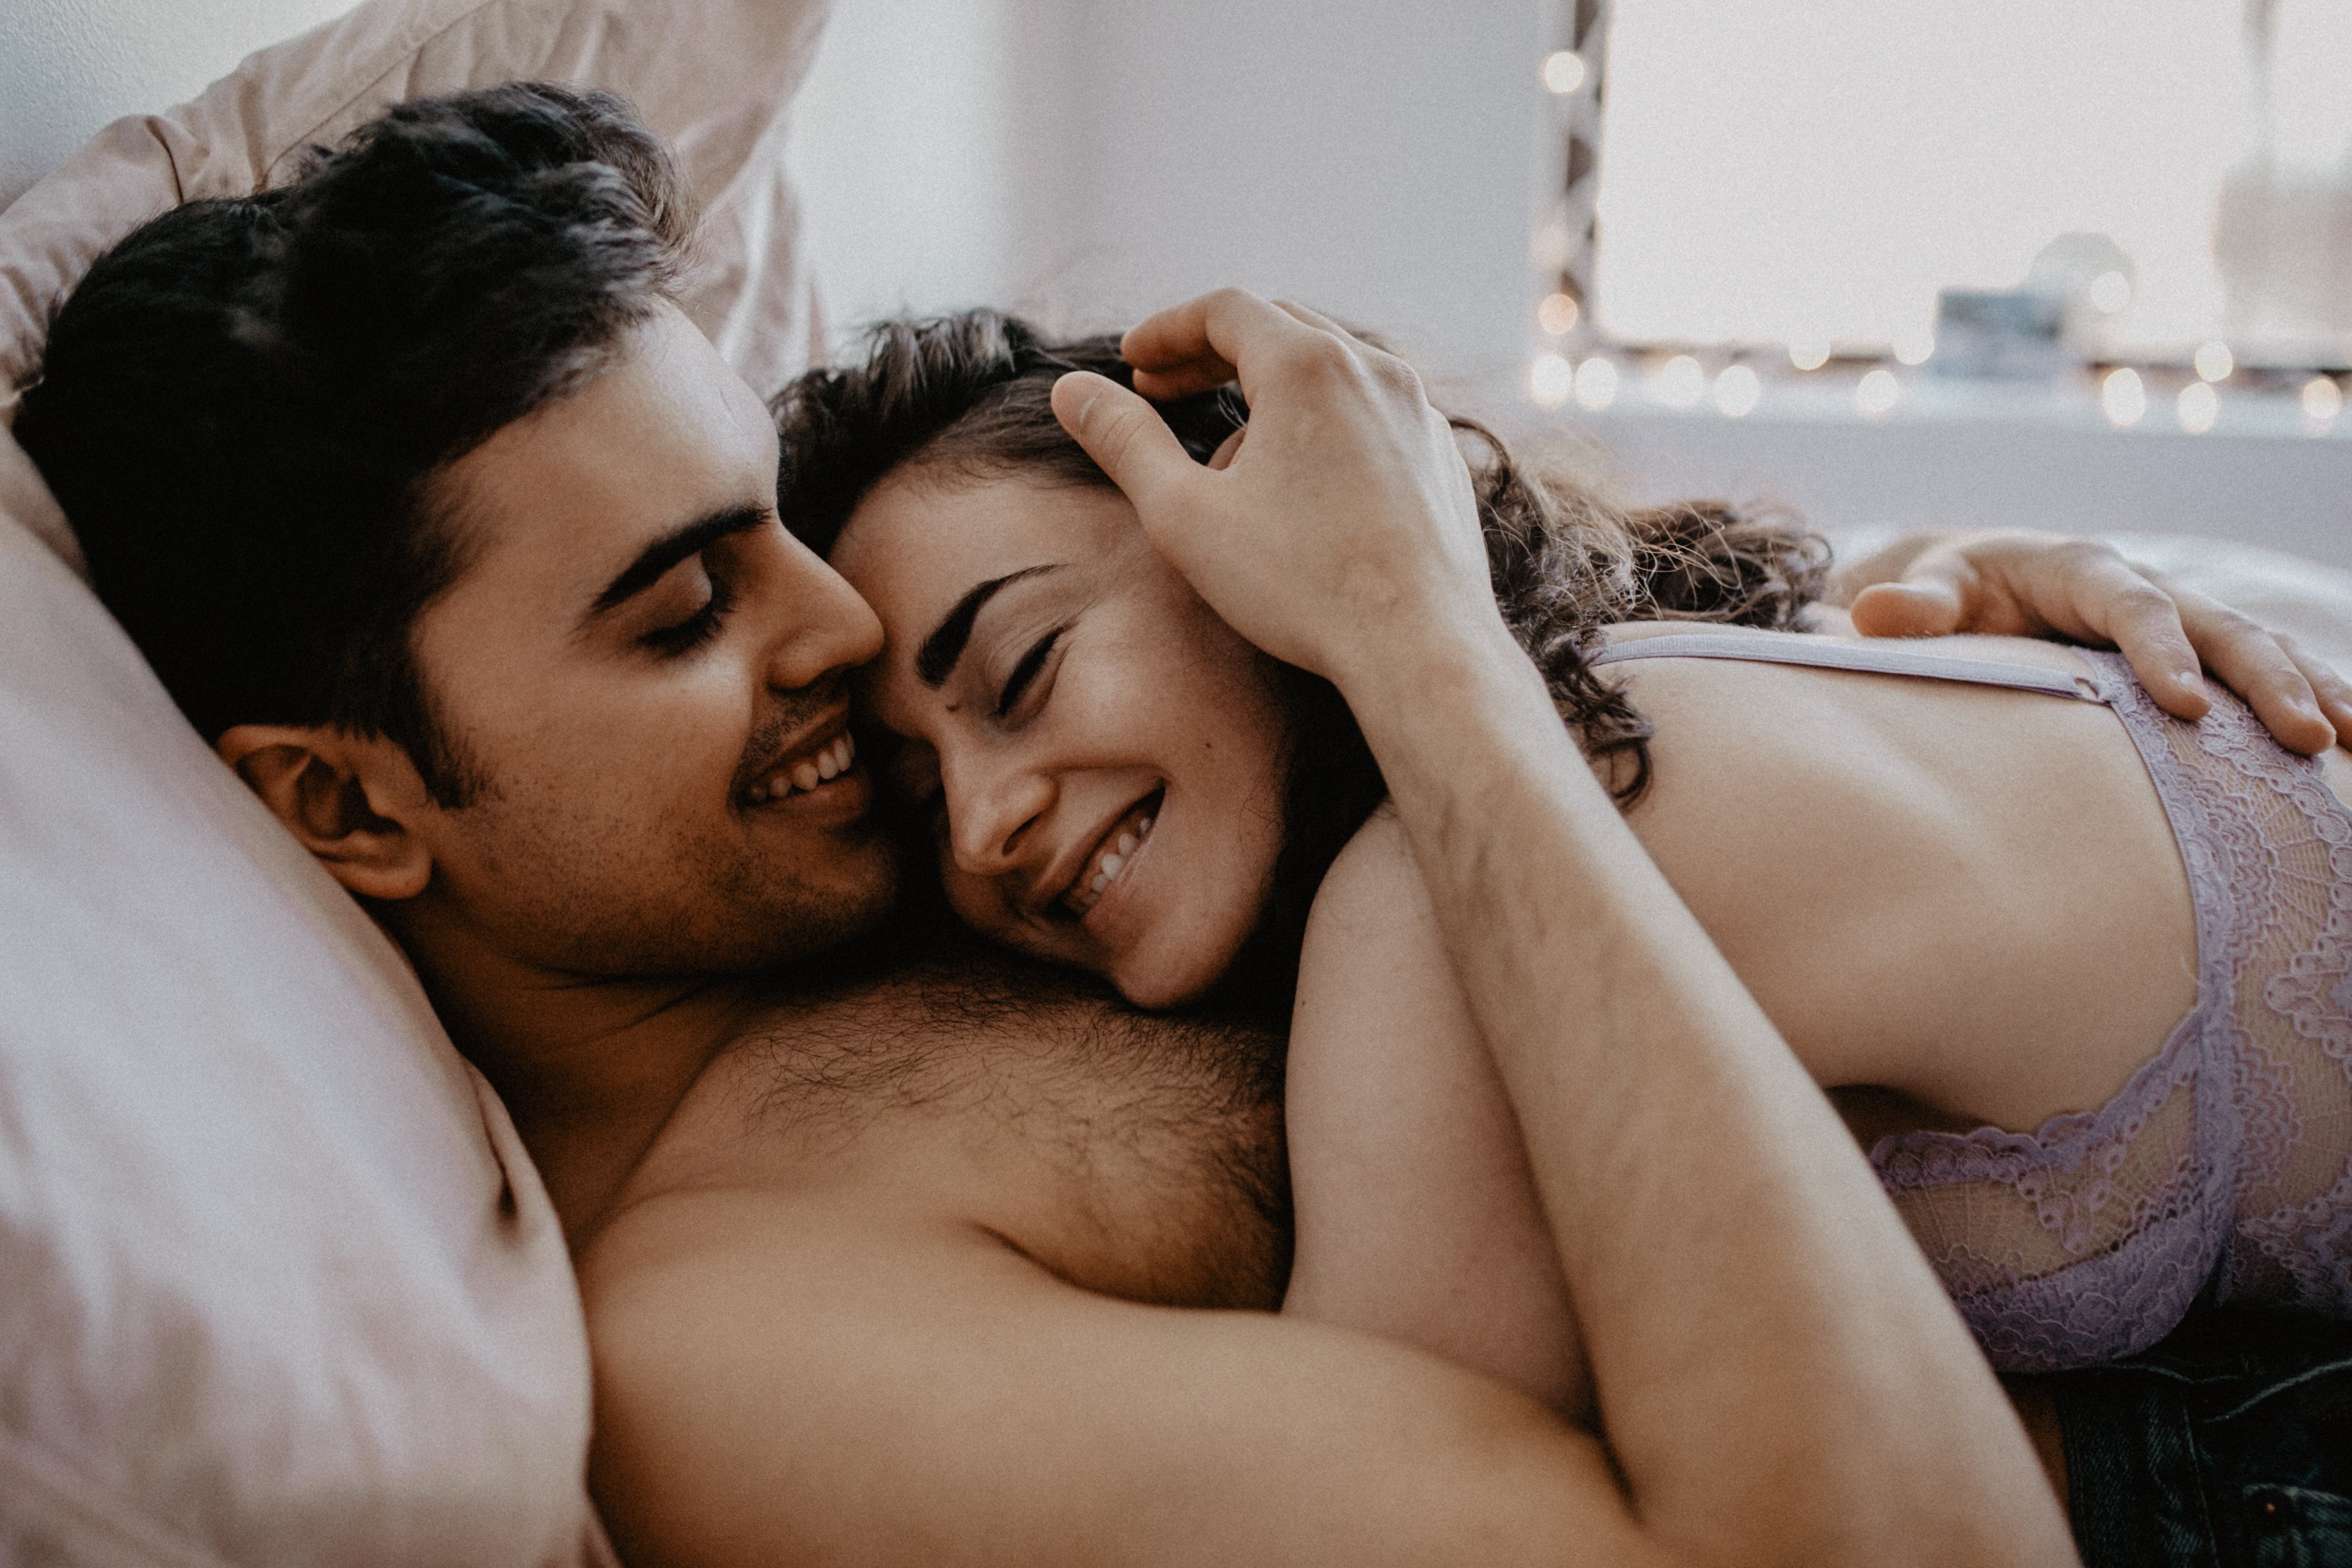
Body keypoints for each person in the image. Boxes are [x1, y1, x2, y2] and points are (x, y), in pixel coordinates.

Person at [12, 86, 2343, 1566]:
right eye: (677, 605)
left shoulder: (879, 863)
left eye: (775, 524)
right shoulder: (753, 1340)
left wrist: (1921, 607)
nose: (833, 632)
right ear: (356, 808)